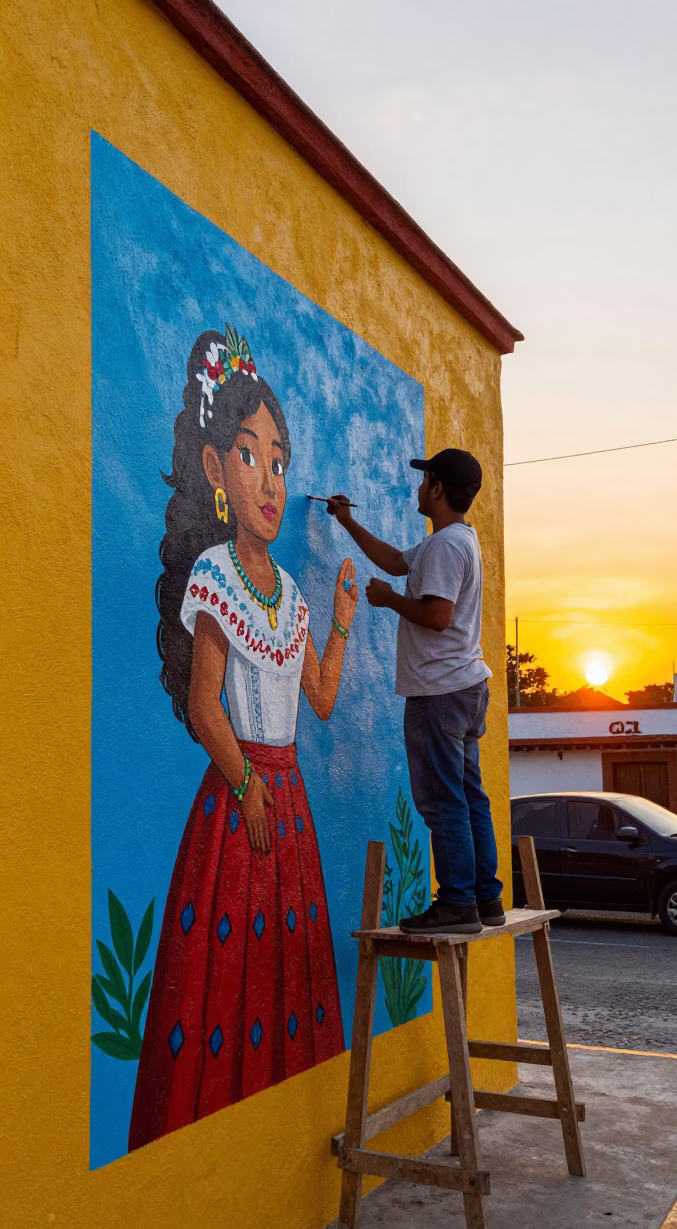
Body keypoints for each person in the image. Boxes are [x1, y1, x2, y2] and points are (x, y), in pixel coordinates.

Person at [129, 325, 357, 1151]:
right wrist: (246, 784)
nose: (270, 480)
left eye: (280, 462)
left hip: (290, 806)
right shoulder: (214, 576)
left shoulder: (291, 592)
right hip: (241, 802)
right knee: (222, 989)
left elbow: (321, 699)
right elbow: (205, 707)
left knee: (287, 980)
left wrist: (339, 623)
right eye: (251, 457)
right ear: (217, 469)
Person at [328, 448, 504, 935]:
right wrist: (347, 521)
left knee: (442, 801)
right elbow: (393, 560)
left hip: (440, 693)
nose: (419, 487)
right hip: (463, 688)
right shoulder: (450, 541)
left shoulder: (446, 546)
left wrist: (388, 600)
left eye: (425, 480)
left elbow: (437, 616)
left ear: (438, 489)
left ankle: (457, 905)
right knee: (468, 796)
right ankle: (484, 898)